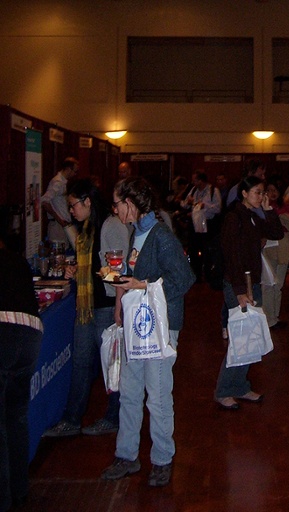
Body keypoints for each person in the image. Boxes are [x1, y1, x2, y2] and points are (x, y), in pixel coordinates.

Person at [101, 177, 196, 487]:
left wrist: (139, 285)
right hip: (137, 322)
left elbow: (184, 280)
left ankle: (162, 458)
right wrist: (120, 296)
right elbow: (133, 275)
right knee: (129, 393)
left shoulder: (162, 237)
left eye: (117, 203)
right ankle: (127, 455)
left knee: (156, 395)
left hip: (160, 327)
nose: (115, 210)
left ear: (131, 204)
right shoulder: (136, 235)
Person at [43, 178, 130, 438]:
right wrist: (77, 270)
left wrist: (118, 306)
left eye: (73, 205)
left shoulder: (110, 225)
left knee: (111, 364)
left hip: (104, 307)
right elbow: (94, 266)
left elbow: (119, 269)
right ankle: (72, 418)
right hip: (87, 307)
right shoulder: (88, 227)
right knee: (81, 363)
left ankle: (113, 417)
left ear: (87, 202)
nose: (71, 210)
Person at [215, 176, 284, 410]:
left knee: (250, 337)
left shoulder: (253, 216)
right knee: (239, 338)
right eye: (257, 192)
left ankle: (240, 386)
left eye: (263, 192)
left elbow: (277, 233)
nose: (261, 196)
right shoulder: (234, 218)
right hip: (239, 284)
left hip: (252, 282)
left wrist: (268, 209)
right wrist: (238, 292)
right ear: (244, 193)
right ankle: (225, 389)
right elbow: (230, 255)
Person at [0, 235, 43, 512]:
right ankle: (20, 489)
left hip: (4, 333)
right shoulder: (16, 261)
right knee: (15, 416)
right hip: (31, 335)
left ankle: (2, 500)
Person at [262, 179, 289, 329]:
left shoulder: (286, 208)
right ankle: (268, 318)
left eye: (275, 190)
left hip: (283, 249)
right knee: (268, 284)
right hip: (268, 249)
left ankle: (274, 317)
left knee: (278, 284)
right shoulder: (261, 208)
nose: (272, 193)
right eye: (269, 190)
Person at [181, 171, 221, 280]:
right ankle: (196, 274)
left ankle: (208, 273)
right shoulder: (193, 190)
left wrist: (205, 206)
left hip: (208, 224)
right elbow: (184, 204)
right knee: (194, 249)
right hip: (195, 223)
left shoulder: (213, 191)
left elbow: (218, 208)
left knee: (207, 249)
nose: (193, 182)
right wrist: (188, 203)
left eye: (195, 180)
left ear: (200, 180)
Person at [41, 156, 79, 249]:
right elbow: (45, 201)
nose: (75, 174)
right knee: (59, 252)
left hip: (64, 224)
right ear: (68, 169)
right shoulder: (57, 182)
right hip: (58, 225)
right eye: (75, 171)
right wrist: (60, 220)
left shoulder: (64, 182)